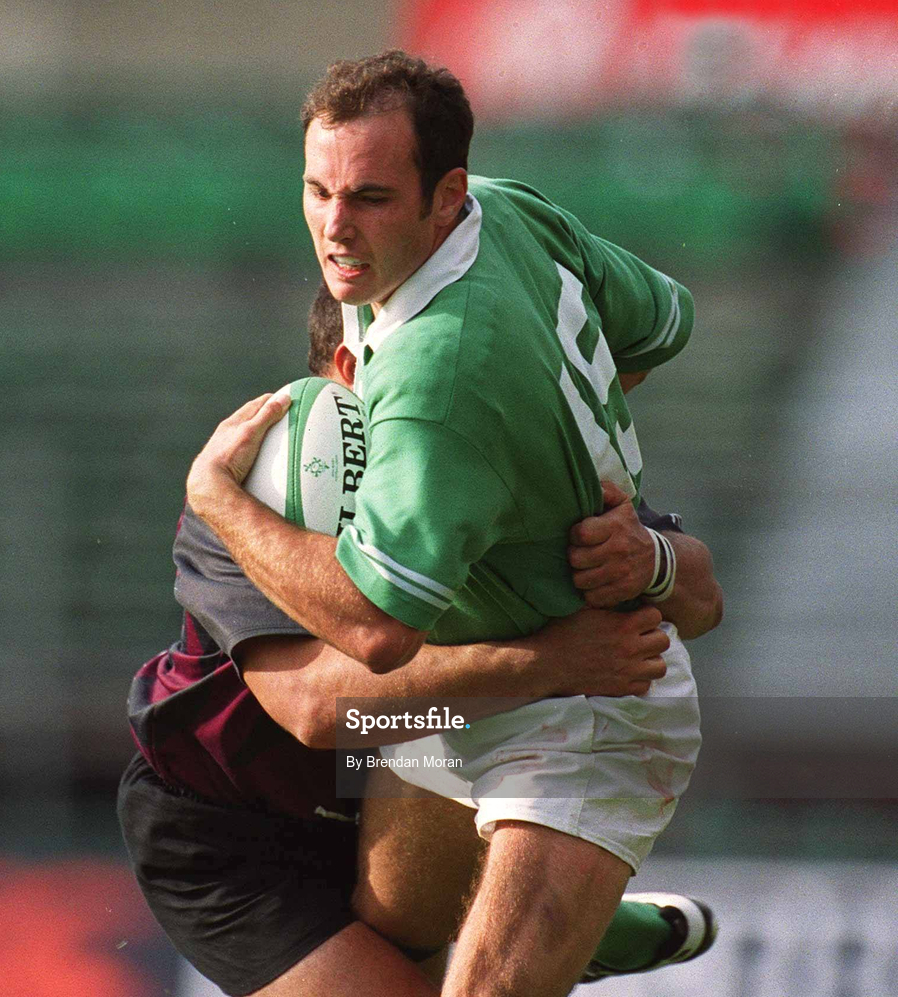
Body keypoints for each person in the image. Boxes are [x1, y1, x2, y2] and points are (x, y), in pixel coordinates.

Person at [185, 51, 716, 997]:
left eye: (372, 198)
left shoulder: (433, 393)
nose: (335, 228)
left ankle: (570, 904)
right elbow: (659, 324)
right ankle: (597, 927)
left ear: (445, 194)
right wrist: (547, 443)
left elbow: (372, 637)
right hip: (447, 707)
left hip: (580, 710)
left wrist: (214, 497)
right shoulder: (505, 212)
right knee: (398, 918)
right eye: (317, 191)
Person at [120, 285, 721, 995]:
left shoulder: (491, 444)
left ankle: (533, 910)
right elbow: (317, 712)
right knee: (454, 710)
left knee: (456, 721)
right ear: (351, 371)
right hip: (232, 827)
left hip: (392, 756)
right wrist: (548, 663)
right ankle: (576, 926)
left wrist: (649, 557)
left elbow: (703, 599)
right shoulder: (254, 487)